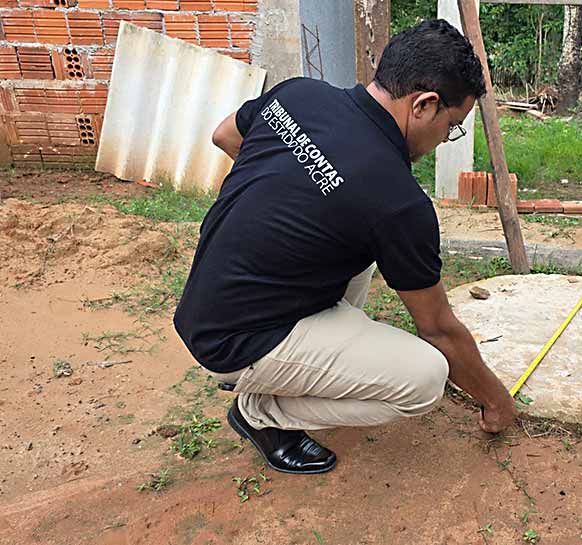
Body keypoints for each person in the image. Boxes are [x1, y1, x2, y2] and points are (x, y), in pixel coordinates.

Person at [173, 19, 518, 475]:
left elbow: (225, 135)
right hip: (234, 342)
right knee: (425, 379)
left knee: (356, 236)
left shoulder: (298, 95)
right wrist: (496, 402)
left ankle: (293, 360)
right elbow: (438, 331)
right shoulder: (396, 199)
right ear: (425, 105)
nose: (442, 141)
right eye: (451, 127)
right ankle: (261, 412)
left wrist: (301, 183)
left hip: (205, 305)